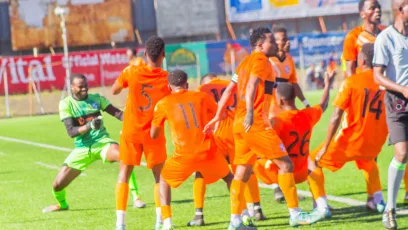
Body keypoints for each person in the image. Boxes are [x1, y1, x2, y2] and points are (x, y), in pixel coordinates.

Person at [204, 27, 319, 229]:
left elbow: (229, 90)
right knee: (286, 165)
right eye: (270, 41)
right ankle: (295, 214)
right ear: (259, 45)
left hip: (239, 125)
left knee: (241, 173)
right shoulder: (260, 61)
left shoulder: (243, 64)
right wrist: (250, 111)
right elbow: (251, 85)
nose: (274, 45)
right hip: (255, 122)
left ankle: (235, 221)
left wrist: (217, 116)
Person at [42, 74, 144, 213]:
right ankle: (62, 204)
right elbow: (71, 132)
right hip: (82, 149)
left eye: (86, 85)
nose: (84, 89)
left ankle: (136, 197)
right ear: (72, 87)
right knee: (57, 185)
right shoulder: (66, 104)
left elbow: (118, 114)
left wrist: (136, 116)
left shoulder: (97, 99)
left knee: (125, 156)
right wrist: (90, 126)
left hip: (102, 143)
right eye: (80, 86)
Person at [309, 43, 387, 220]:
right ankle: (378, 200)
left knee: (312, 161)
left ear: (363, 60)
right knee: (369, 163)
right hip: (374, 144)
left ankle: (321, 207)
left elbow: (336, 116)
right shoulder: (386, 82)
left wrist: (325, 146)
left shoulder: (352, 82)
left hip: (350, 141)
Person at [151, 70, 234, 230]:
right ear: (187, 85)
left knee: (164, 180)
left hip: (184, 155)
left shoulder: (163, 103)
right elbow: (220, 116)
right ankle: (239, 216)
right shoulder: (201, 97)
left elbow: (154, 134)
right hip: (207, 151)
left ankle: (167, 223)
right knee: (230, 178)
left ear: (169, 87)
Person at [189, 73, 265, 227]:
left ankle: (199, 215)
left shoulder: (202, 89)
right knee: (245, 173)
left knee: (200, 173)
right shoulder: (232, 85)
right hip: (238, 134)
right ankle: (255, 208)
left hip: (217, 139)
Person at [112, 36, 170, 230]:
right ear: (163, 54)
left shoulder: (133, 71)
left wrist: (127, 70)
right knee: (159, 177)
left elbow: (114, 90)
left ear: (145, 53)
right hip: (154, 133)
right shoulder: (166, 79)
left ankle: (120, 224)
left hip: (131, 131)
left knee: (124, 175)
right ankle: (160, 221)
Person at [253, 70, 332, 208]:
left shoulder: (277, 121)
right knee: (313, 164)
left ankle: (254, 208)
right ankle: (320, 203)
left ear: (279, 100)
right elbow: (323, 104)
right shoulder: (307, 115)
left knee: (247, 162)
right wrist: (327, 85)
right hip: (302, 172)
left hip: (279, 174)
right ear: (295, 97)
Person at [373, 0, 408, 228]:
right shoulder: (386, 37)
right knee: (402, 154)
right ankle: (390, 210)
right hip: (397, 101)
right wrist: (402, 89)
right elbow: (377, 76)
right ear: (400, 9)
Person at [269, 27, 309, 118]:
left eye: (288, 39)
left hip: (286, 111)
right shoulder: (268, 61)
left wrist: (306, 104)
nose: (288, 42)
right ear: (275, 43)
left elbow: (294, 83)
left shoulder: (289, 60)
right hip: (271, 113)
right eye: (284, 40)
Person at [342, 0, 383, 77]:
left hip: (385, 84)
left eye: (378, 7)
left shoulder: (387, 33)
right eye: (372, 8)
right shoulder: (353, 36)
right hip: (365, 85)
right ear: (362, 14)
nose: (377, 10)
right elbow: (350, 70)